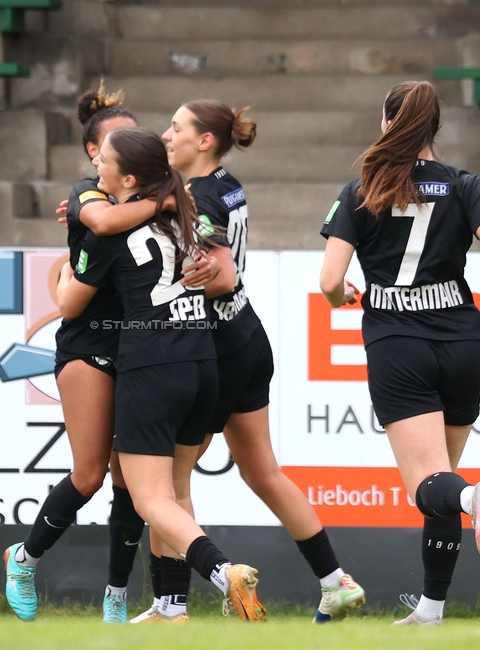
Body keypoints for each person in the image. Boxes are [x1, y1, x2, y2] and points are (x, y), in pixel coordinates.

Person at [116, 100, 365, 624]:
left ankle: (171, 603)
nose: (166, 135)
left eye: (177, 127)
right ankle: (334, 581)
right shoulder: (227, 182)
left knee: (171, 483)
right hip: (247, 333)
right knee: (263, 470)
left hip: (217, 344)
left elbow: (223, 275)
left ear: (204, 141)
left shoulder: (201, 194)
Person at [319, 80, 480, 626]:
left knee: (432, 488)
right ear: (435, 127)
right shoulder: (466, 185)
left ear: (387, 122)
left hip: (399, 346)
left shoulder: (360, 190)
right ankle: (431, 611)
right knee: (443, 478)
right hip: (463, 344)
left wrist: (339, 294)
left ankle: (473, 503)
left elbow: (328, 280)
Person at [3, 84, 202, 625]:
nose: (134, 149)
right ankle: (23, 558)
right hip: (89, 343)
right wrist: (161, 200)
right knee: (90, 473)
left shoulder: (162, 204)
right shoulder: (92, 197)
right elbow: (98, 241)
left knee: (130, 481)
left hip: (142, 345)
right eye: (118, 143)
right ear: (97, 156)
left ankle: (117, 596)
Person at [56, 126, 265, 623]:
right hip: (202, 362)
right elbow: (224, 270)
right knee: (174, 489)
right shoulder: (186, 215)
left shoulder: (113, 228)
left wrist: (66, 270)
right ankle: (171, 607)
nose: (96, 169)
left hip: (152, 364)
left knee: (149, 498)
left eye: (103, 161)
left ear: (128, 177)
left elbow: (69, 304)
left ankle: (224, 573)